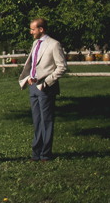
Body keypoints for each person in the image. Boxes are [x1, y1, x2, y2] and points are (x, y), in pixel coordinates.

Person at [18, 18, 67, 162]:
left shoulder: (54, 44)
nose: (31, 32)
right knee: (37, 120)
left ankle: (45, 154)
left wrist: (47, 82)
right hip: (33, 86)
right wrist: (28, 78)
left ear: (41, 29)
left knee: (46, 121)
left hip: (45, 88)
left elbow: (62, 67)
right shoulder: (35, 43)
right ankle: (36, 153)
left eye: (33, 29)